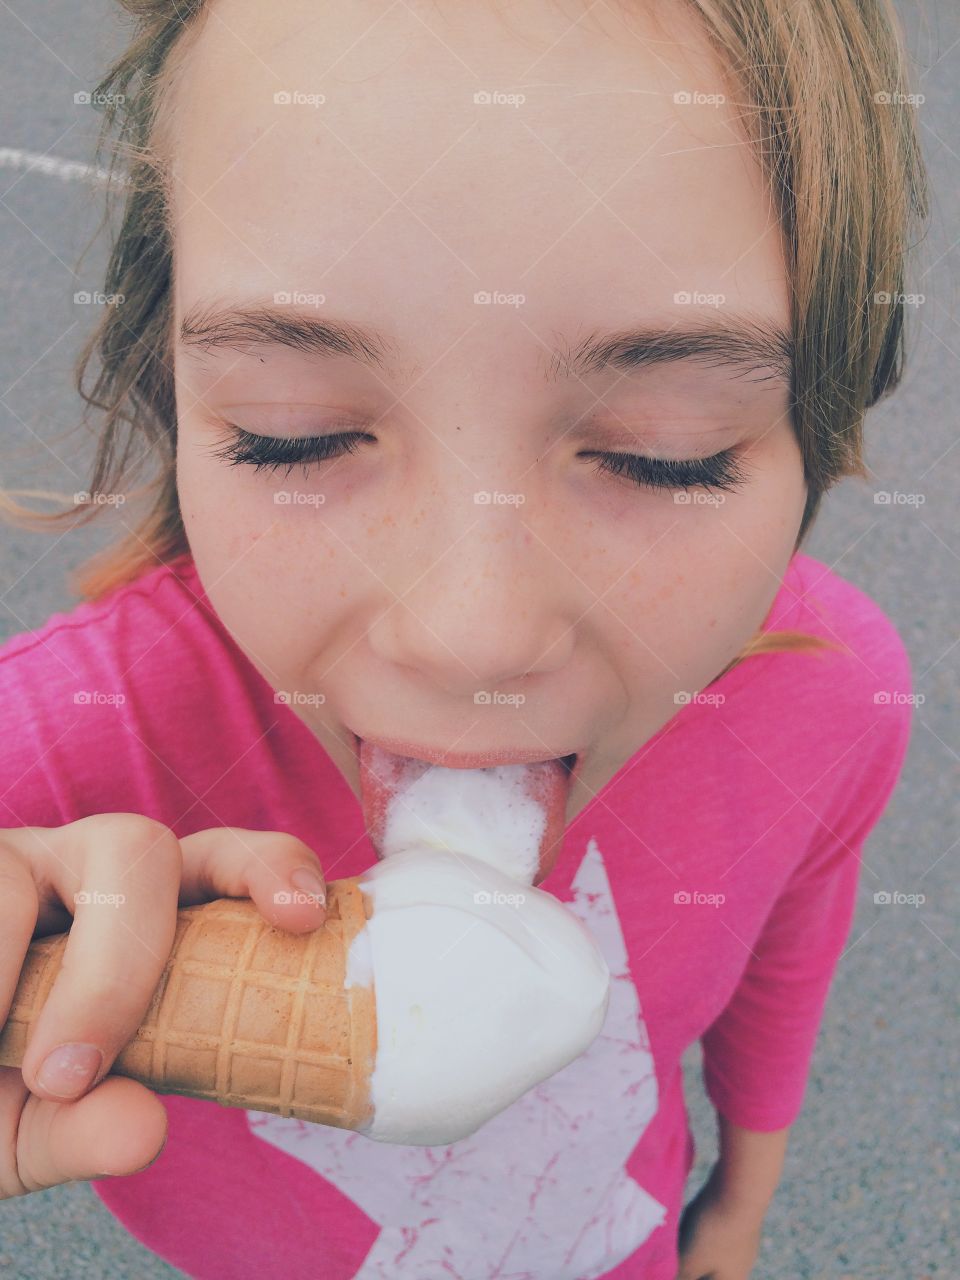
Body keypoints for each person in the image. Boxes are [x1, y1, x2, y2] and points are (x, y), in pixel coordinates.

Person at [0, 0, 928, 1276]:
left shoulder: (831, 701)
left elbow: (785, 957)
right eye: (294, 432)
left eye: (667, 455)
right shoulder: (59, 748)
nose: (470, 634)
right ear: (169, 389)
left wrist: (739, 1198)